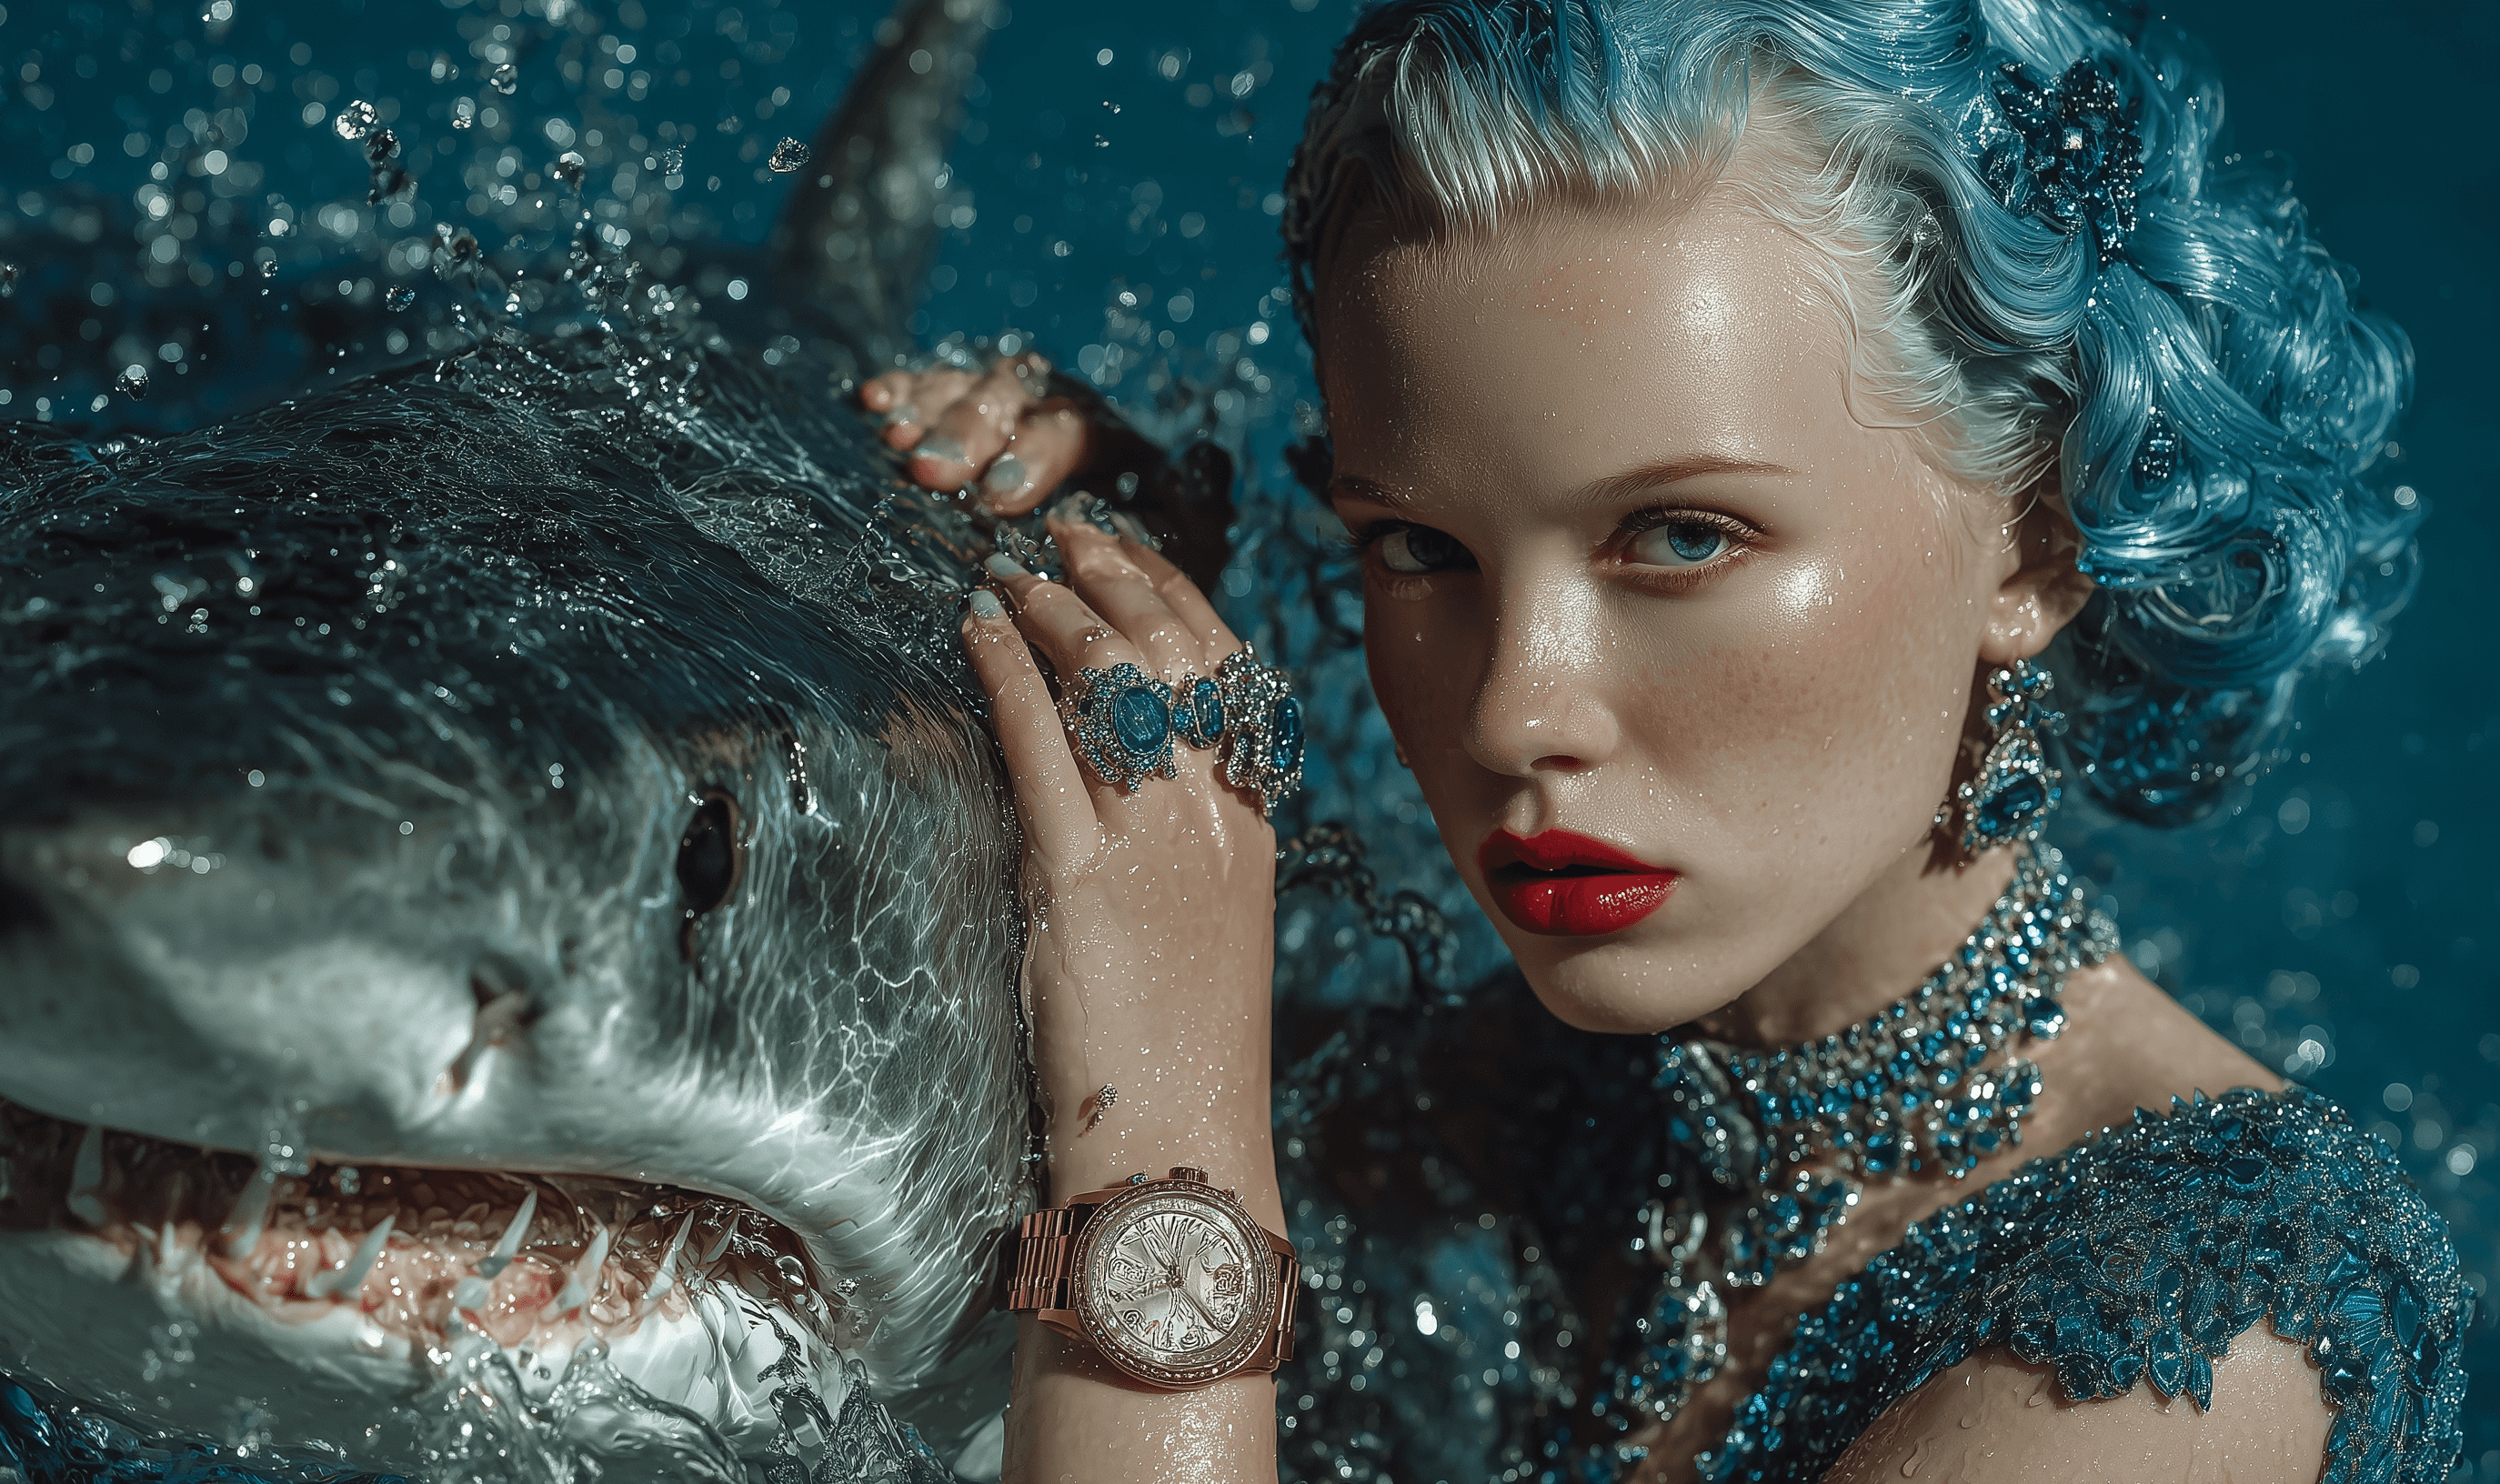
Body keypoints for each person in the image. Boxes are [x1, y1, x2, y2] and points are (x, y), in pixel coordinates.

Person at [860, 0, 2469, 1478]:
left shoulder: (2196, 1350)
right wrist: (1074, 658)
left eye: (1683, 537)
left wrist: (1164, 1164)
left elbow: (1165, 1133)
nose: (1512, 708)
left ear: (2041, 536)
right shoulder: (1544, 1097)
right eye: (1422, 549)